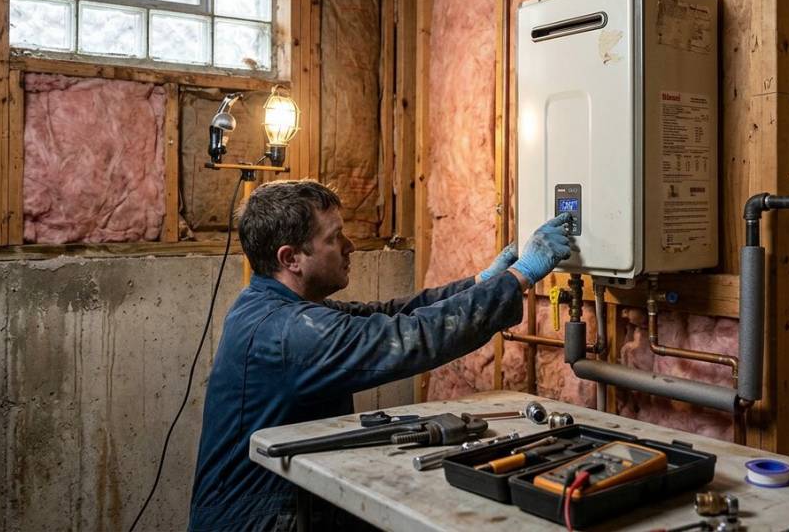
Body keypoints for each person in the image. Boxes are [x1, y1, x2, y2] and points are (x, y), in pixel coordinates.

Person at [188, 179, 572, 532]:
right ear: (291, 258)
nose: (349, 246)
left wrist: (480, 284)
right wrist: (519, 278)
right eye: (334, 238)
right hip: (259, 518)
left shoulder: (271, 306)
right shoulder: (287, 334)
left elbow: (387, 314)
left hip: (281, 501)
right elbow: (410, 336)